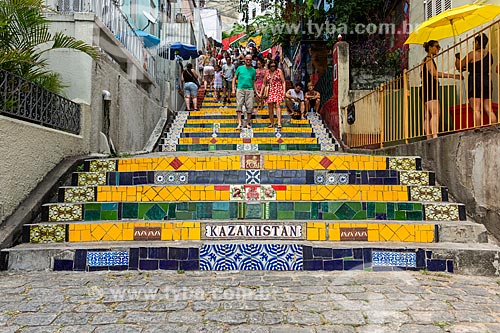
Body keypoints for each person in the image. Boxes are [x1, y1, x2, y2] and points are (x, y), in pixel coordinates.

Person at [421, 40, 461, 139]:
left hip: (424, 89)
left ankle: (429, 136)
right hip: (430, 88)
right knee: (435, 112)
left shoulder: (423, 60)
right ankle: (434, 135)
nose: (438, 49)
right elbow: (435, 73)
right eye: (436, 46)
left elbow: (421, 75)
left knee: (428, 114)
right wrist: (452, 76)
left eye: (438, 47)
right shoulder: (429, 59)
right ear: (430, 47)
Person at [456, 33, 497, 126]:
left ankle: (478, 130)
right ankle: (496, 130)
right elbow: (484, 67)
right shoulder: (489, 55)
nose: (473, 45)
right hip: (486, 80)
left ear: (477, 42)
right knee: (488, 108)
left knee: (476, 109)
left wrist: (457, 58)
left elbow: (459, 66)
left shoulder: (472, 54)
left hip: (475, 81)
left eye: (474, 43)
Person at [232, 54, 258, 130]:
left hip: (250, 90)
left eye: (250, 59)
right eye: (247, 59)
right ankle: (240, 123)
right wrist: (233, 89)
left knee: (250, 107)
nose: (248, 61)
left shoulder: (253, 70)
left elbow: (254, 82)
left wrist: (256, 91)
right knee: (239, 105)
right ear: (244, 60)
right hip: (240, 89)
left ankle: (247, 123)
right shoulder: (239, 68)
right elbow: (234, 79)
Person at [260, 60, 286, 128]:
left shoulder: (279, 71)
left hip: (277, 89)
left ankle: (279, 122)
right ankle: (272, 123)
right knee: (270, 107)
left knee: (278, 105)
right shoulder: (267, 72)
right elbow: (264, 83)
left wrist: (284, 91)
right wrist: (261, 93)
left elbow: (283, 81)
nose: (273, 67)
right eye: (271, 66)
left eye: (274, 66)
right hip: (270, 90)